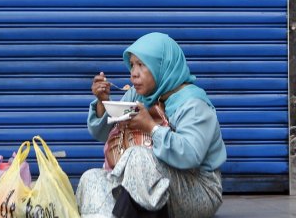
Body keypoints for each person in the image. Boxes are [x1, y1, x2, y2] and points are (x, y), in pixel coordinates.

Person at [76, 32, 226, 218]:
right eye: (132, 65)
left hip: (198, 189)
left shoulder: (193, 104)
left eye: (142, 64)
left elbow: (191, 155)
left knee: (138, 157)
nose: (134, 73)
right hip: (145, 183)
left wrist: (152, 128)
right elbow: (103, 134)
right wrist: (102, 102)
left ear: (162, 66)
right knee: (92, 179)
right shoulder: (138, 95)